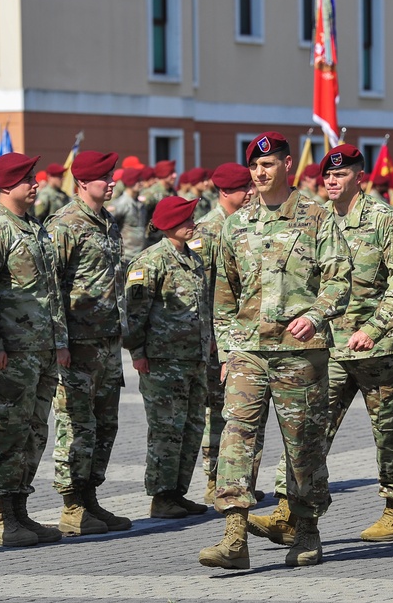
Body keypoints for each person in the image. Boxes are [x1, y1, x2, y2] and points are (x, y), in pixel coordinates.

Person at [249, 144, 393, 545]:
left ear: (360, 177)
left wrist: (375, 328)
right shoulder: (317, 220)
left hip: (379, 350)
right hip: (330, 348)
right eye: (327, 175)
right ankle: (289, 511)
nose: (332, 181)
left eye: (341, 175)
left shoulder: (384, 220)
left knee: (389, 433)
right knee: (307, 429)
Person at [198, 131, 351, 570]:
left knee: (302, 444)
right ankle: (234, 535)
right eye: (254, 167)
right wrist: (227, 351)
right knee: (237, 436)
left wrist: (317, 315)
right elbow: (224, 294)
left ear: (287, 165)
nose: (260, 173)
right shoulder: (235, 223)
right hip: (248, 350)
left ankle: (306, 529)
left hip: (299, 353)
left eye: (268, 165)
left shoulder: (316, 217)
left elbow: (340, 279)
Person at [0, 152, 70, 547]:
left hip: (42, 349)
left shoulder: (35, 229)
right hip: (11, 352)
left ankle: (21, 511)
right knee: (7, 431)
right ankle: (1, 516)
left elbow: (51, 293)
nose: (36, 184)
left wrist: (60, 340)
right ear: (6, 186)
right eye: (28, 179)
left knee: (34, 432)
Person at [45, 150, 132, 535]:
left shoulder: (107, 222)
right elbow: (50, 287)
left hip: (106, 341)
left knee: (104, 425)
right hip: (78, 342)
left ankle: (90, 496)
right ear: (82, 183)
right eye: (104, 177)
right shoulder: (64, 224)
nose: (111, 182)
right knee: (76, 425)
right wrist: (59, 341)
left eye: (111, 175)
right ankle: (72, 504)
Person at [125, 196, 211, 519]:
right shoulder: (149, 263)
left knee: (191, 427)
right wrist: (138, 354)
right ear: (170, 225)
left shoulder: (194, 260)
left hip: (193, 359)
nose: (193, 223)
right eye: (187, 219)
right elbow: (135, 315)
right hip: (163, 362)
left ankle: (177, 492)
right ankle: (161, 496)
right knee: (166, 430)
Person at [186, 162, 256, 505]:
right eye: (245, 188)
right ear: (226, 192)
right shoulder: (208, 231)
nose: (252, 193)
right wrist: (214, 336)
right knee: (220, 409)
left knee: (242, 409)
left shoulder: (246, 224)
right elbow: (203, 290)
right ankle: (216, 480)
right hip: (219, 337)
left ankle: (240, 479)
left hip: (246, 332)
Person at [106, 167, 148, 271]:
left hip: (140, 255)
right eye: (138, 180)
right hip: (126, 257)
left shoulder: (140, 204)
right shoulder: (121, 204)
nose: (141, 183)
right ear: (130, 182)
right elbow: (107, 225)